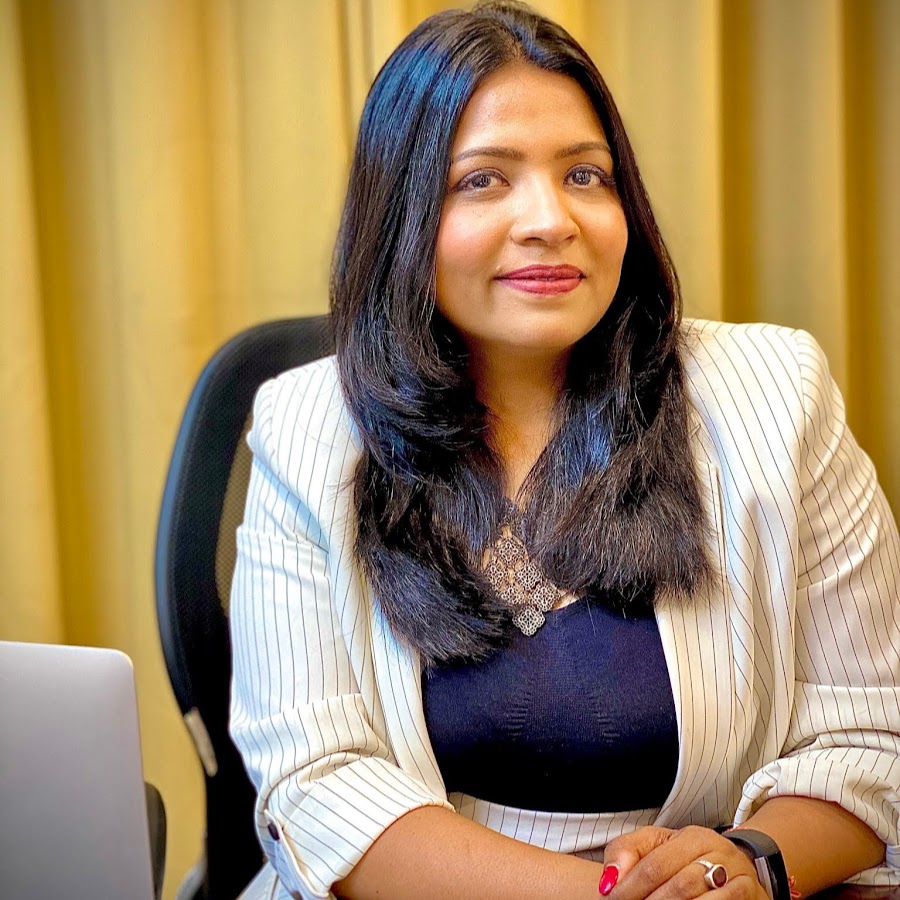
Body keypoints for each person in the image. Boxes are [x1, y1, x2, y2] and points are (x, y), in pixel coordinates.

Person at [228, 3, 900, 898]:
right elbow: (316, 786)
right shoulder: (306, 428)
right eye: (483, 180)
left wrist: (745, 867)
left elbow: (869, 737)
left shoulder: (779, 395)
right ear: (402, 213)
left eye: (585, 174)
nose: (550, 219)